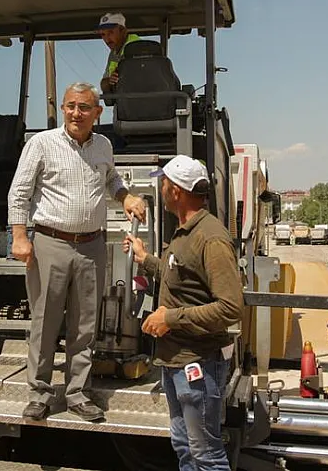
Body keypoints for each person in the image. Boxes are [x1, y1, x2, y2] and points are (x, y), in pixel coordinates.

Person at [8, 82, 147, 423]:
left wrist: (126, 196)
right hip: (50, 243)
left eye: (84, 108)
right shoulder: (41, 143)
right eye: (71, 106)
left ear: (98, 113)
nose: (76, 113)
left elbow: (111, 179)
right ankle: (40, 393)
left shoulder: (103, 145)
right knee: (45, 322)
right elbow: (19, 192)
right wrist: (20, 237)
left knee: (85, 325)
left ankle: (77, 393)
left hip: (91, 245)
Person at [123, 154, 244, 471]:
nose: (160, 188)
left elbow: (230, 307)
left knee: (206, 454)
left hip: (197, 363)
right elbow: (179, 277)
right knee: (185, 447)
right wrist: (145, 259)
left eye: (163, 182)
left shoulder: (210, 237)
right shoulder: (185, 232)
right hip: (176, 361)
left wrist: (170, 318)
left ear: (175, 190)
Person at [97, 12, 141, 96]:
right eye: (103, 34)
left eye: (110, 32)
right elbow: (103, 84)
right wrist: (110, 80)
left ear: (123, 31)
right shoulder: (113, 53)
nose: (107, 39)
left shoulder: (137, 46)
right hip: (123, 102)